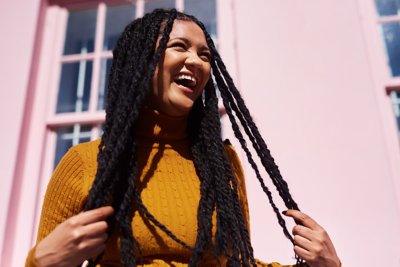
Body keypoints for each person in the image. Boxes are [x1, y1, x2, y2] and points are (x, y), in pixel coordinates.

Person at [25, 9, 341, 267]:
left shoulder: (221, 165)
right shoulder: (86, 163)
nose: (197, 60)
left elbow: (238, 264)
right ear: (142, 61)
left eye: (205, 54)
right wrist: (41, 262)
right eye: (179, 46)